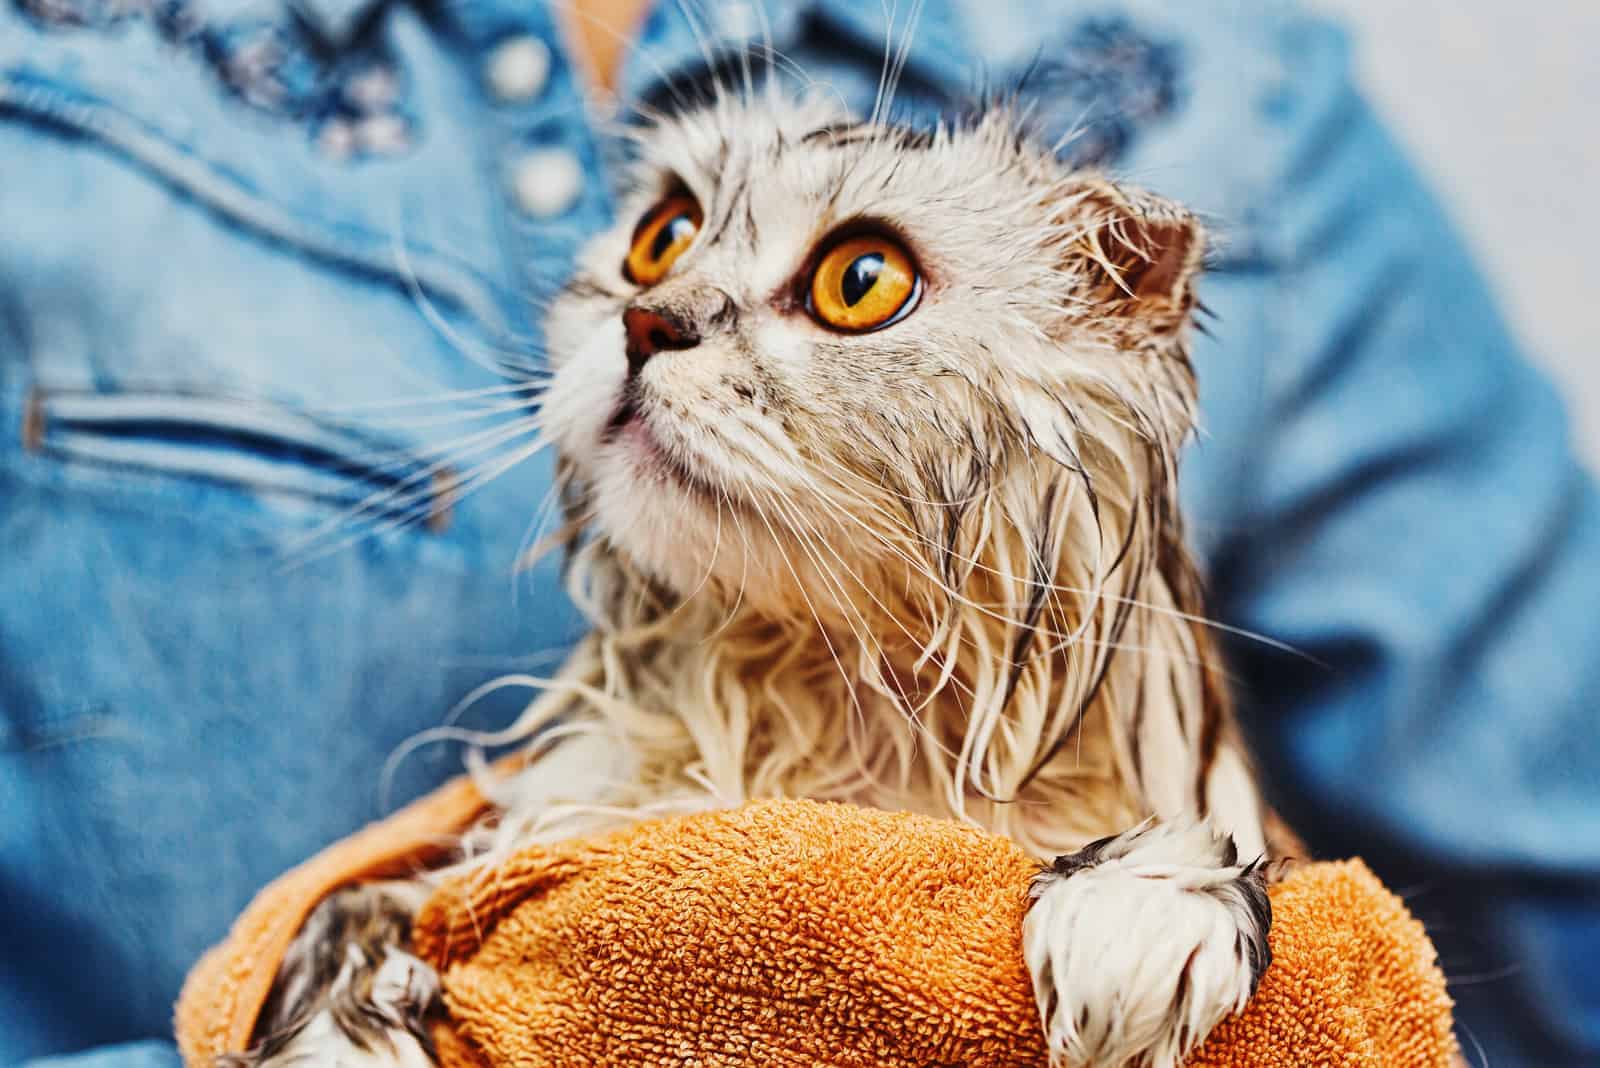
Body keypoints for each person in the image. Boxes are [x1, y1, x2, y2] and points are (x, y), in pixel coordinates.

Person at [1, 0, 1594, 1063]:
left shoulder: (1213, 66)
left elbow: (1563, 879)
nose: (659, 311)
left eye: (855, 283)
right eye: (667, 236)